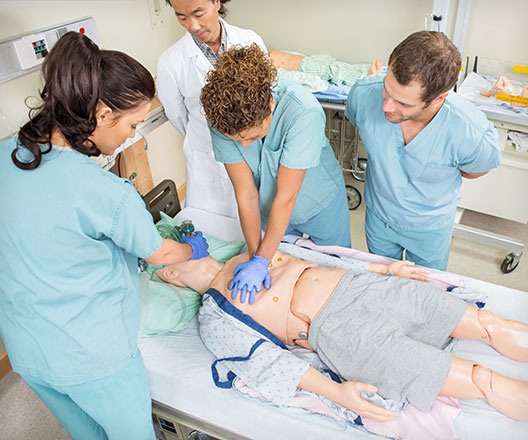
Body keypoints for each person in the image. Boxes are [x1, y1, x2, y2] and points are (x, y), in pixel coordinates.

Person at [0, 32, 209, 440]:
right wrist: (190, 248)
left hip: (27, 347)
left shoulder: (7, 155)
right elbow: (161, 253)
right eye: (131, 124)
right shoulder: (107, 194)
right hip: (92, 357)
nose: (131, 136)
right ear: (101, 114)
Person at [148, 234, 528, 423]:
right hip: (345, 335)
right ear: (168, 274)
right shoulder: (214, 316)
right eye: (165, 244)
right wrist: (337, 392)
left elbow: (316, 257)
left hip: (367, 287)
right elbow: (265, 363)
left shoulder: (252, 247)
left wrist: (383, 269)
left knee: (487, 323)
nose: (183, 240)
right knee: (481, 379)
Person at [200, 44, 351, 304]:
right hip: (269, 205)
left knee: (337, 271)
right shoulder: (221, 118)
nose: (245, 146)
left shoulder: (303, 113)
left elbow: (286, 197)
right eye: (237, 140)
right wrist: (255, 255)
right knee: (278, 264)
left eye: (254, 137)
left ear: (270, 105)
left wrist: (262, 259)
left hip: (318, 201)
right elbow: (246, 194)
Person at [345, 31, 502, 271]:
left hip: (430, 227)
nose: (387, 106)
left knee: (427, 288)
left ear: (438, 99)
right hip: (379, 216)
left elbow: (476, 170)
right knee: (382, 282)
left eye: (404, 104)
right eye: (387, 89)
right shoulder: (363, 95)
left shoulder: (471, 132)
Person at [157, 0, 266, 218]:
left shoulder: (249, 40)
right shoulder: (170, 62)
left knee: (258, 223)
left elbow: (264, 98)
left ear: (216, 2)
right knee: (215, 231)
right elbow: (178, 117)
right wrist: (208, 139)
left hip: (252, 152)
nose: (193, 26)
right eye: (182, 18)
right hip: (208, 159)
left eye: (199, 13)